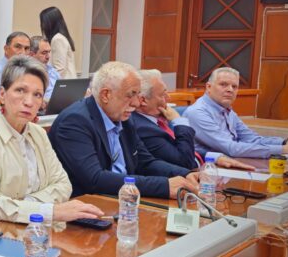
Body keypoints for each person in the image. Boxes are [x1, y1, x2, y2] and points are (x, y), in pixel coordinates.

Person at [0, 56, 103, 227]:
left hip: (34, 226)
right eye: (20, 90)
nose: (29, 102)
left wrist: (28, 206)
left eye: (37, 95)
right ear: (2, 94)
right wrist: (48, 210)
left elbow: (63, 184)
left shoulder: (38, 133)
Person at [47, 61, 199, 199]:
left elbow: (145, 162)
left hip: (124, 199)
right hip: (90, 203)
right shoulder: (75, 122)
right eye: (131, 95)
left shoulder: (124, 117)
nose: (136, 103)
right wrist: (164, 186)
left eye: (138, 94)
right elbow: (94, 179)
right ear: (106, 95)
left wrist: (186, 174)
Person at [132, 69, 255, 171]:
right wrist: (180, 122)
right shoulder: (143, 128)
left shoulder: (159, 119)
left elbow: (183, 150)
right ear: (143, 100)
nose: (168, 98)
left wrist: (215, 157)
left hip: (204, 167)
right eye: (163, 94)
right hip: (186, 176)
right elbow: (185, 161)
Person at [184, 67, 288, 158]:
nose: (230, 90)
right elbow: (231, 148)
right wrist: (284, 149)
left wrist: (284, 142)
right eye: (223, 84)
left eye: (234, 86)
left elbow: (251, 139)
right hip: (207, 169)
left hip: (231, 162)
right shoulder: (198, 112)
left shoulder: (227, 110)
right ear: (208, 87)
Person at [40, 6, 77, 79]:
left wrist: (47, 82)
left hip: (63, 83)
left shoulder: (57, 39)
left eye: (43, 22)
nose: (42, 25)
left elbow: (59, 69)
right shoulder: (61, 37)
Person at [28, 35, 60, 101]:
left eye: (49, 52)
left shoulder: (53, 71)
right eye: (44, 53)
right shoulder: (25, 73)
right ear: (31, 55)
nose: (48, 57)